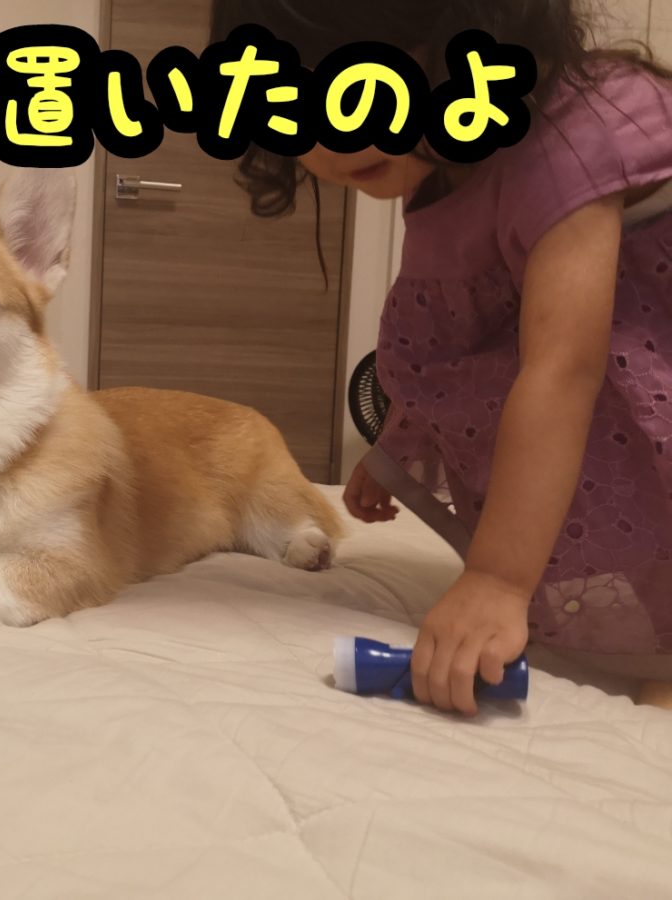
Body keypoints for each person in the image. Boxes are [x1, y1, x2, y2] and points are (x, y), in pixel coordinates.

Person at [210, 0, 672, 714]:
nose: (332, 143)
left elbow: (562, 369)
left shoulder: (566, 141)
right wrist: (400, 444)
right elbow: (458, 344)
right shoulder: (442, 171)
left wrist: (497, 579)